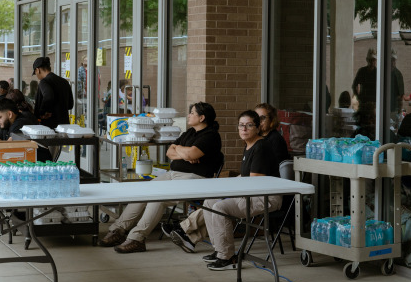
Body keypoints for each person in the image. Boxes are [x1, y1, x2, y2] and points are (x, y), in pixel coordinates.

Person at [97, 102, 223, 254]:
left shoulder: (211, 136)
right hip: (172, 174)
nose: (189, 115)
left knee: (158, 198)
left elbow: (188, 153)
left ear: (202, 117)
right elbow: (169, 152)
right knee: (143, 190)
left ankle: (137, 239)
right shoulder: (190, 133)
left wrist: (182, 151)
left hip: (195, 178)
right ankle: (118, 230)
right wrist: (185, 153)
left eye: (192, 113)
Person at [166, 111, 280, 270]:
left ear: (257, 127)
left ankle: (227, 257)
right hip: (251, 192)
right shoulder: (249, 145)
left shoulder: (261, 147)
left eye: (249, 125)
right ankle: (219, 249)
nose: (244, 129)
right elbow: (246, 176)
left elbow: (255, 182)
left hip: (265, 197)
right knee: (210, 202)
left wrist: (228, 191)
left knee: (221, 207)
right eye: (241, 125)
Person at [32, 56, 74, 128]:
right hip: (65, 126)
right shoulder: (65, 82)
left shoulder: (44, 82)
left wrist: (42, 112)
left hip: (49, 127)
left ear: (37, 70)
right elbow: (70, 105)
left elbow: (48, 96)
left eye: (35, 73)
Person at [390, 51, 405, 115]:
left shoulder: (398, 74)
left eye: (393, 60)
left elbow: (401, 95)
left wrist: (399, 111)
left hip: (394, 108)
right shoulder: (383, 73)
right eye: (391, 60)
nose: (392, 62)